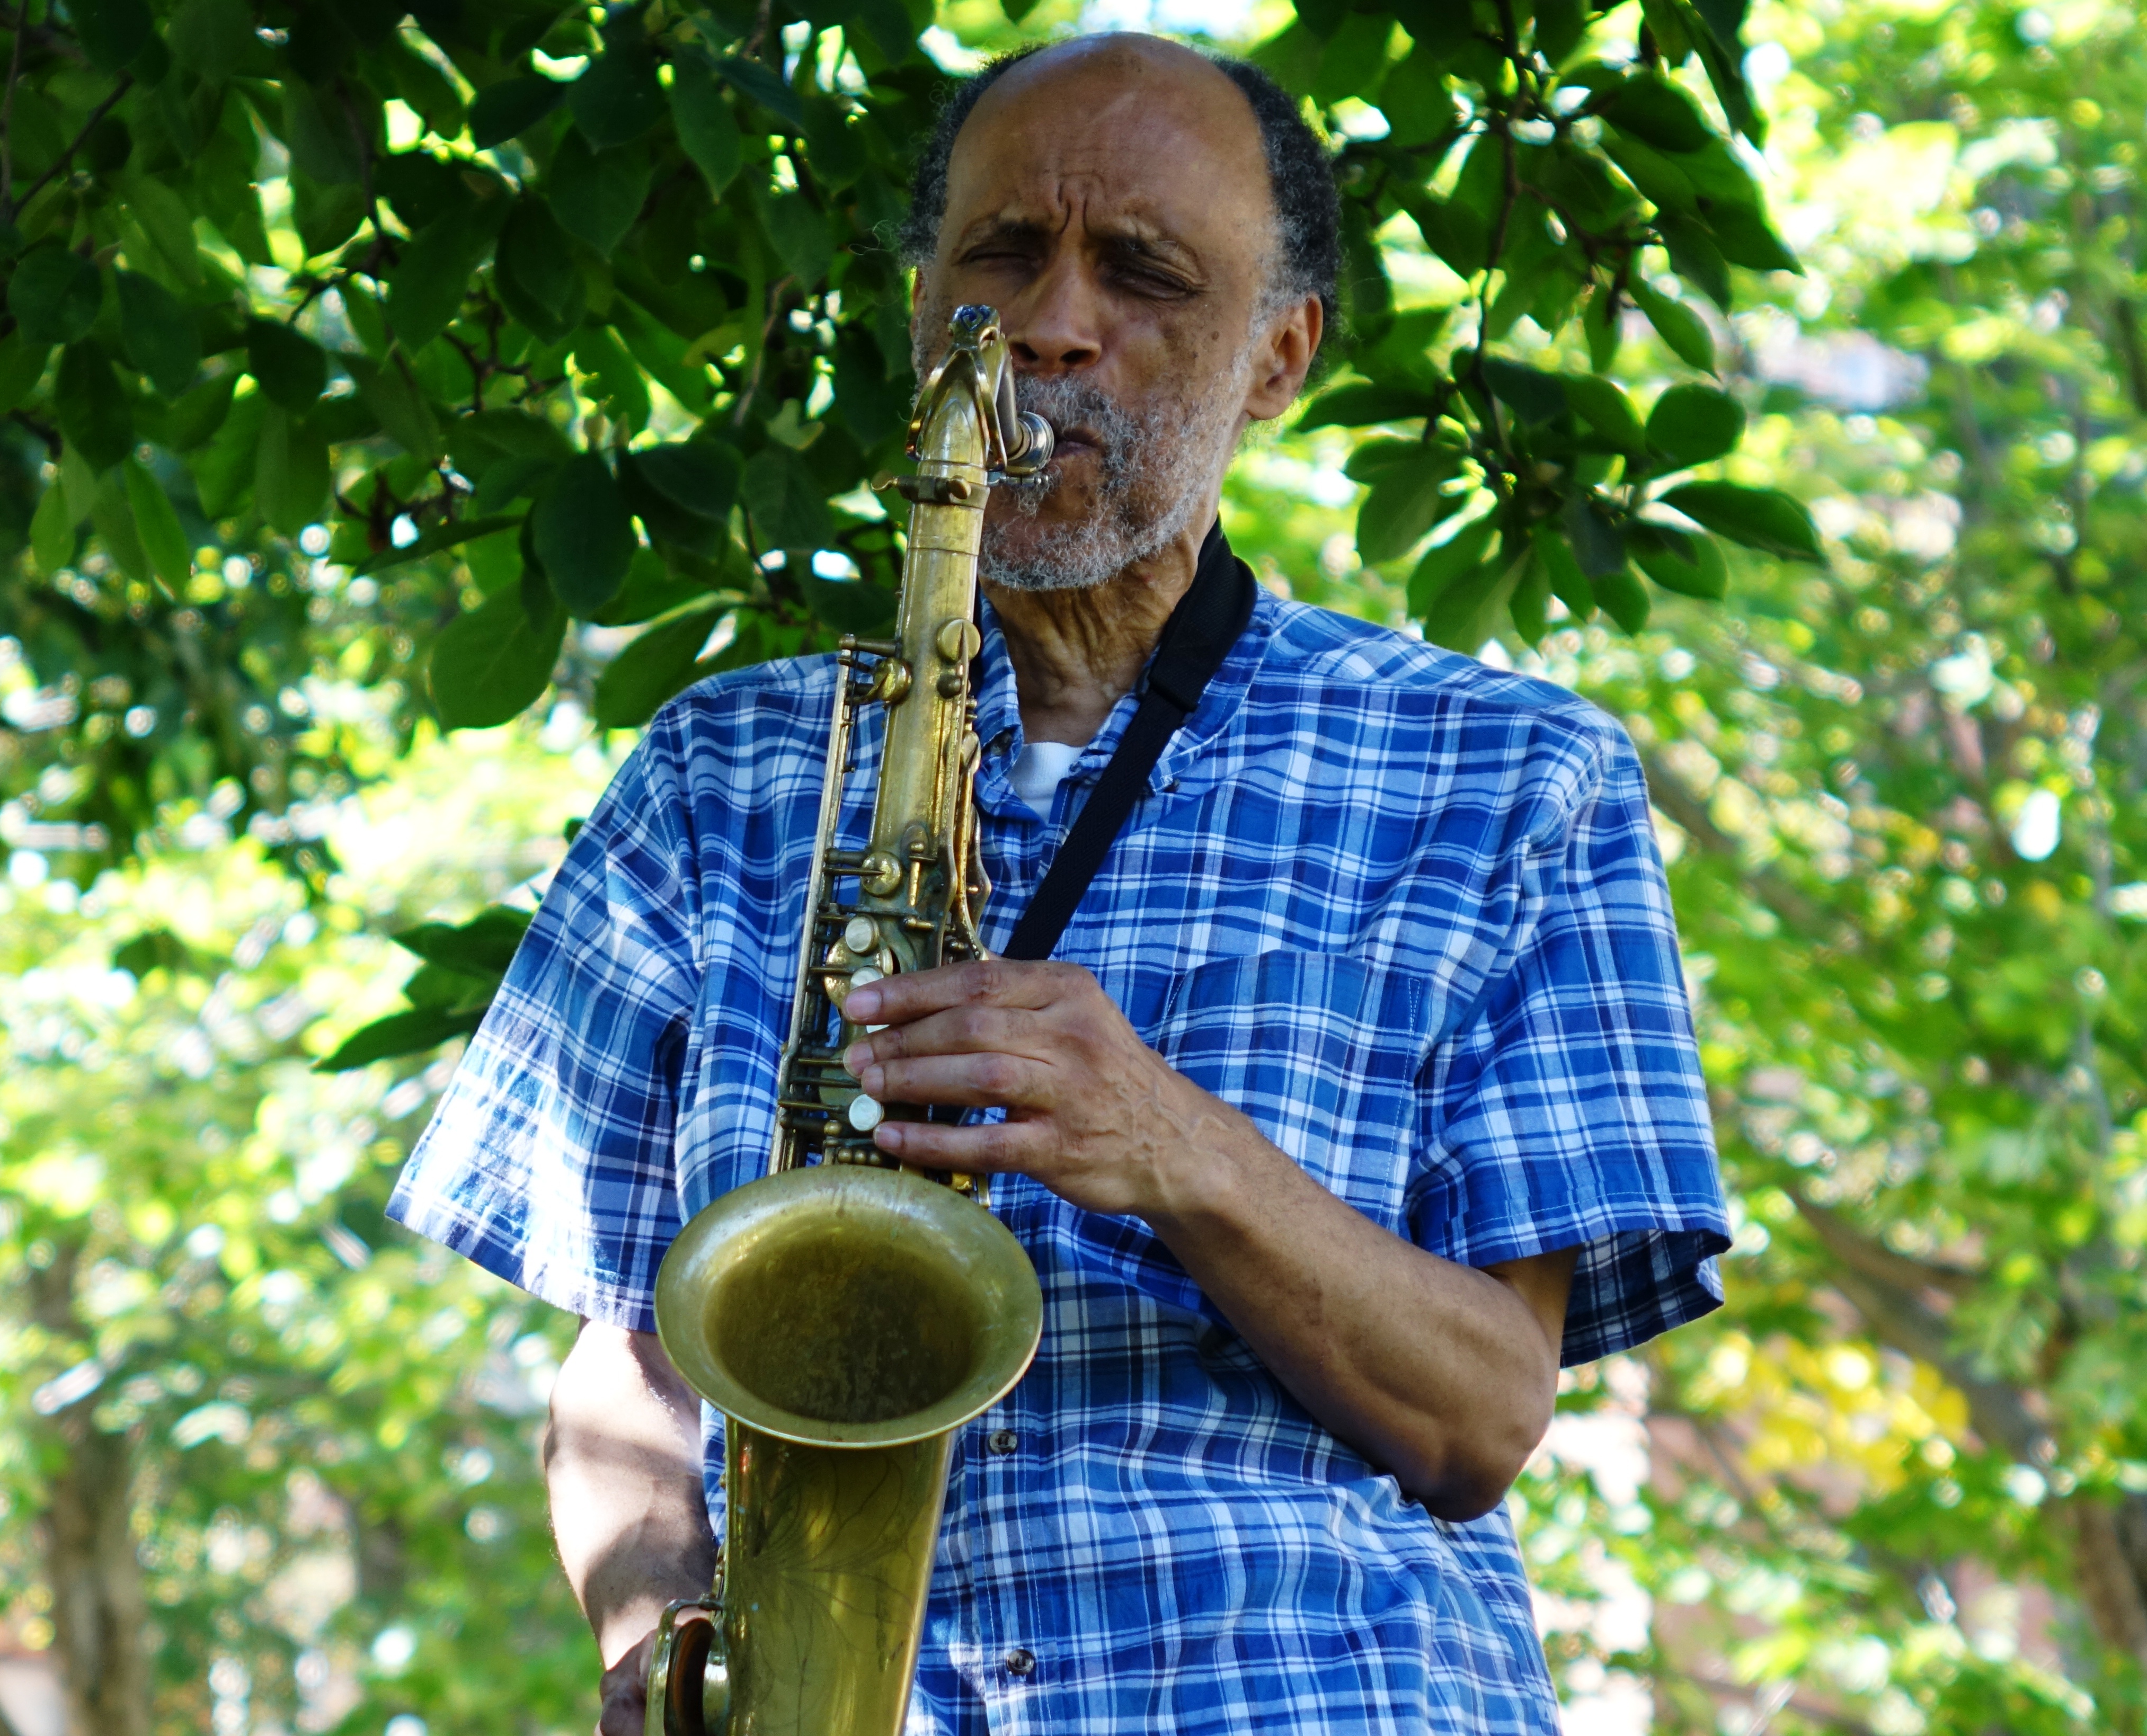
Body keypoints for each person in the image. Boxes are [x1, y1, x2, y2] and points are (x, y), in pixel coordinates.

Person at [389, 31, 1731, 1736]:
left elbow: (1483, 1418)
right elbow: (627, 1358)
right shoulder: (716, 770)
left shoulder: (1515, 776)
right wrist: (656, 1626)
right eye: (1002, 254)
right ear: (922, 298)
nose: (1047, 325)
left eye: (1147, 273)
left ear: (1278, 359)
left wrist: (1173, 1147)